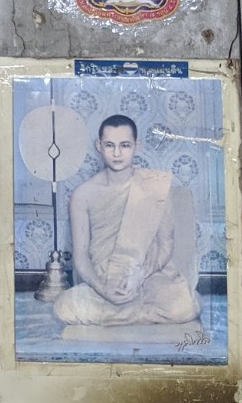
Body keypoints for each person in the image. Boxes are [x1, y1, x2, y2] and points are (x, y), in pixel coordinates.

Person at [54, 114, 200, 326]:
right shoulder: (83, 194)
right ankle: (138, 312)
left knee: (184, 306)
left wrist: (139, 276)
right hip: (105, 281)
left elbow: (165, 245)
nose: (117, 153)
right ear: (99, 146)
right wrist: (103, 290)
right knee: (64, 307)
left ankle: (121, 313)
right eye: (110, 145)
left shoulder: (155, 186)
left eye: (124, 145)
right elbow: (81, 257)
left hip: (149, 277)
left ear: (136, 146)